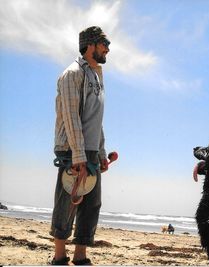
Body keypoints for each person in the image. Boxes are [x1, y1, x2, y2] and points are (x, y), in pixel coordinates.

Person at [49, 26, 111, 265]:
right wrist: (78, 156)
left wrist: (102, 152)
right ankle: (59, 256)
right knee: (68, 201)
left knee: (92, 203)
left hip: (91, 149)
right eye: (104, 43)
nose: (108, 48)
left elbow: (96, 119)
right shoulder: (71, 74)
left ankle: (81, 255)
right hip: (72, 148)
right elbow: (71, 117)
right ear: (90, 45)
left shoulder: (96, 76)